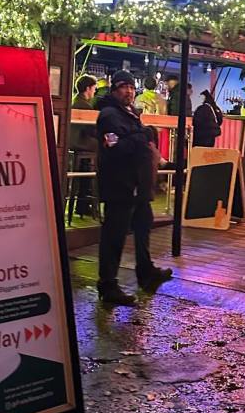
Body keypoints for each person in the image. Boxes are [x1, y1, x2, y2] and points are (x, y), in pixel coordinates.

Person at [95, 70, 173, 305]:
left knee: (143, 224)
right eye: (123, 87)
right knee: (114, 235)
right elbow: (115, 147)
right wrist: (142, 135)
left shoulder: (128, 114)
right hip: (120, 185)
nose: (128, 91)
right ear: (114, 90)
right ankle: (108, 285)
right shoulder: (109, 115)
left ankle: (146, 271)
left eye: (131, 87)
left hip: (137, 185)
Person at [69, 75, 98, 217]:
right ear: (88, 88)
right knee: (105, 149)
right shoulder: (85, 106)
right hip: (82, 143)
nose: (94, 92)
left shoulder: (75, 100)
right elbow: (91, 130)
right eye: (94, 89)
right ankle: (90, 200)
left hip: (75, 143)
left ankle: (84, 202)